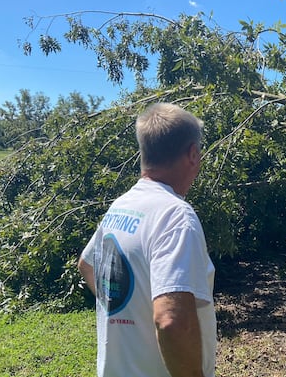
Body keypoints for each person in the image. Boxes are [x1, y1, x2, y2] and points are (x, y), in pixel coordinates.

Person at [78, 102, 216, 377]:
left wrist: (130, 312)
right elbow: (170, 321)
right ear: (192, 154)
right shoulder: (175, 216)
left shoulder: (122, 204)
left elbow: (86, 264)